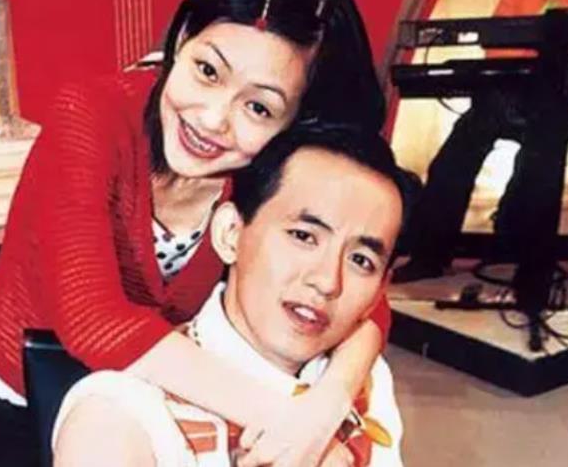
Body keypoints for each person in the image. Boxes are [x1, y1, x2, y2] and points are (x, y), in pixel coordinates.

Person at [0, 0, 392, 467]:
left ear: (296, 123)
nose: (211, 119)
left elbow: (367, 302)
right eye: (207, 71)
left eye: (258, 107)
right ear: (183, 38)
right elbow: (92, 319)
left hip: (172, 387)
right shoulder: (91, 116)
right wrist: (288, 421)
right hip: (29, 383)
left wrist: (326, 407)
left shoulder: (267, 172)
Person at [52, 124, 406, 467]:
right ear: (230, 234)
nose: (328, 281)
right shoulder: (118, 418)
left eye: (361, 260)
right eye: (303, 236)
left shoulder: (366, 379)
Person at [393, 0, 568, 316]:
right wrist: (539, 53)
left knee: (540, 170)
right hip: (505, 94)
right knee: (451, 162)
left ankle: (533, 275)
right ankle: (429, 256)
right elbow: (497, 49)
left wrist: (537, 55)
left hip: (554, 98)